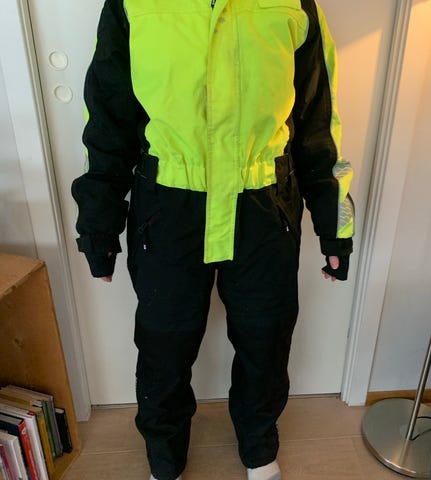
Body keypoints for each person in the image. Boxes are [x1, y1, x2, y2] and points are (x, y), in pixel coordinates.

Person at [71, 1, 354, 479]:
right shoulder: (131, 4)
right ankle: (165, 457)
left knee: (266, 339)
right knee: (164, 344)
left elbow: (318, 123)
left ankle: (259, 447)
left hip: (264, 207)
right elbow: (107, 119)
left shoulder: (295, 4)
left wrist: (335, 222)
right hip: (168, 209)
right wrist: (98, 226)